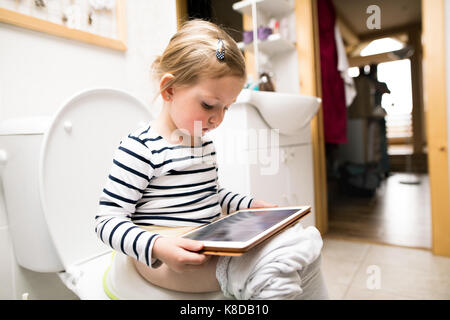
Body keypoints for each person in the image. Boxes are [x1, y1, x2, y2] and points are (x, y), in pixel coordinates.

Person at [94, 19, 327, 298]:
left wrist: (251, 205)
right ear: (169, 89)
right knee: (275, 270)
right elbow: (106, 220)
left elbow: (213, 194)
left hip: (205, 241)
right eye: (208, 105)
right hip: (163, 258)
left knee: (304, 245)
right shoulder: (140, 148)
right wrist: (157, 246)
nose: (217, 119)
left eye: (226, 108)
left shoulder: (203, 144)